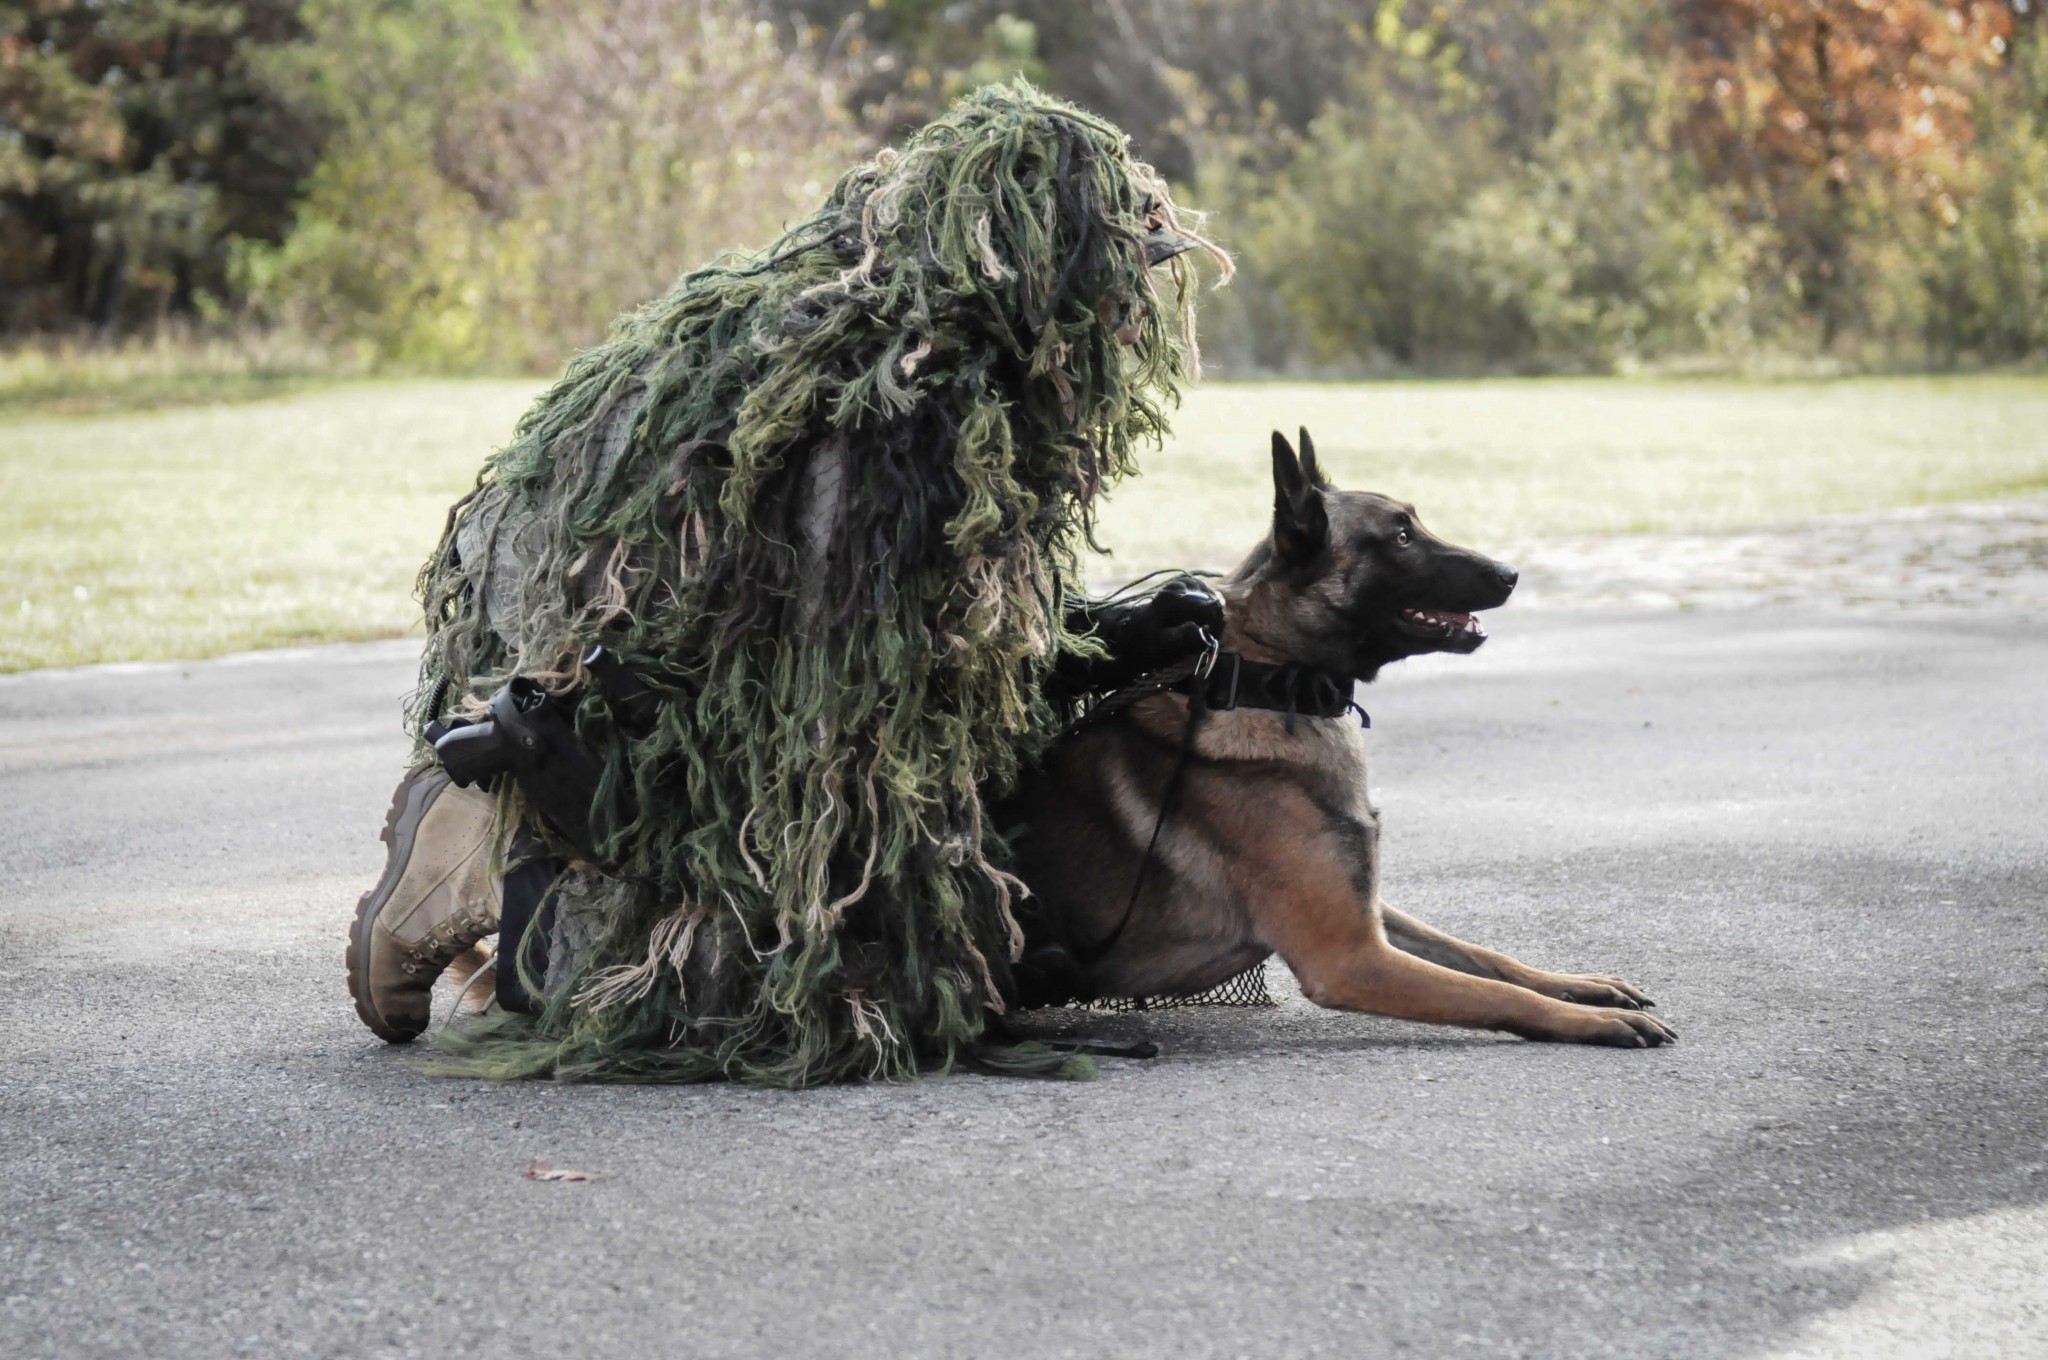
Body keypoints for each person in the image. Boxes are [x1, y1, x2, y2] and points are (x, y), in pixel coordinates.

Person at [345, 82, 1229, 1084]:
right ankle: (476, 833)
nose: (1127, 319)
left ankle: (533, 829)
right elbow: (850, 726)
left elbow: (939, 651)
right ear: (1037, 284)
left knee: (920, 948)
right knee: (766, 1002)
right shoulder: (889, 423)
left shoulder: (911, 362)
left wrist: (1108, 634)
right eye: (1110, 285)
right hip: (609, 697)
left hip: (656, 675)